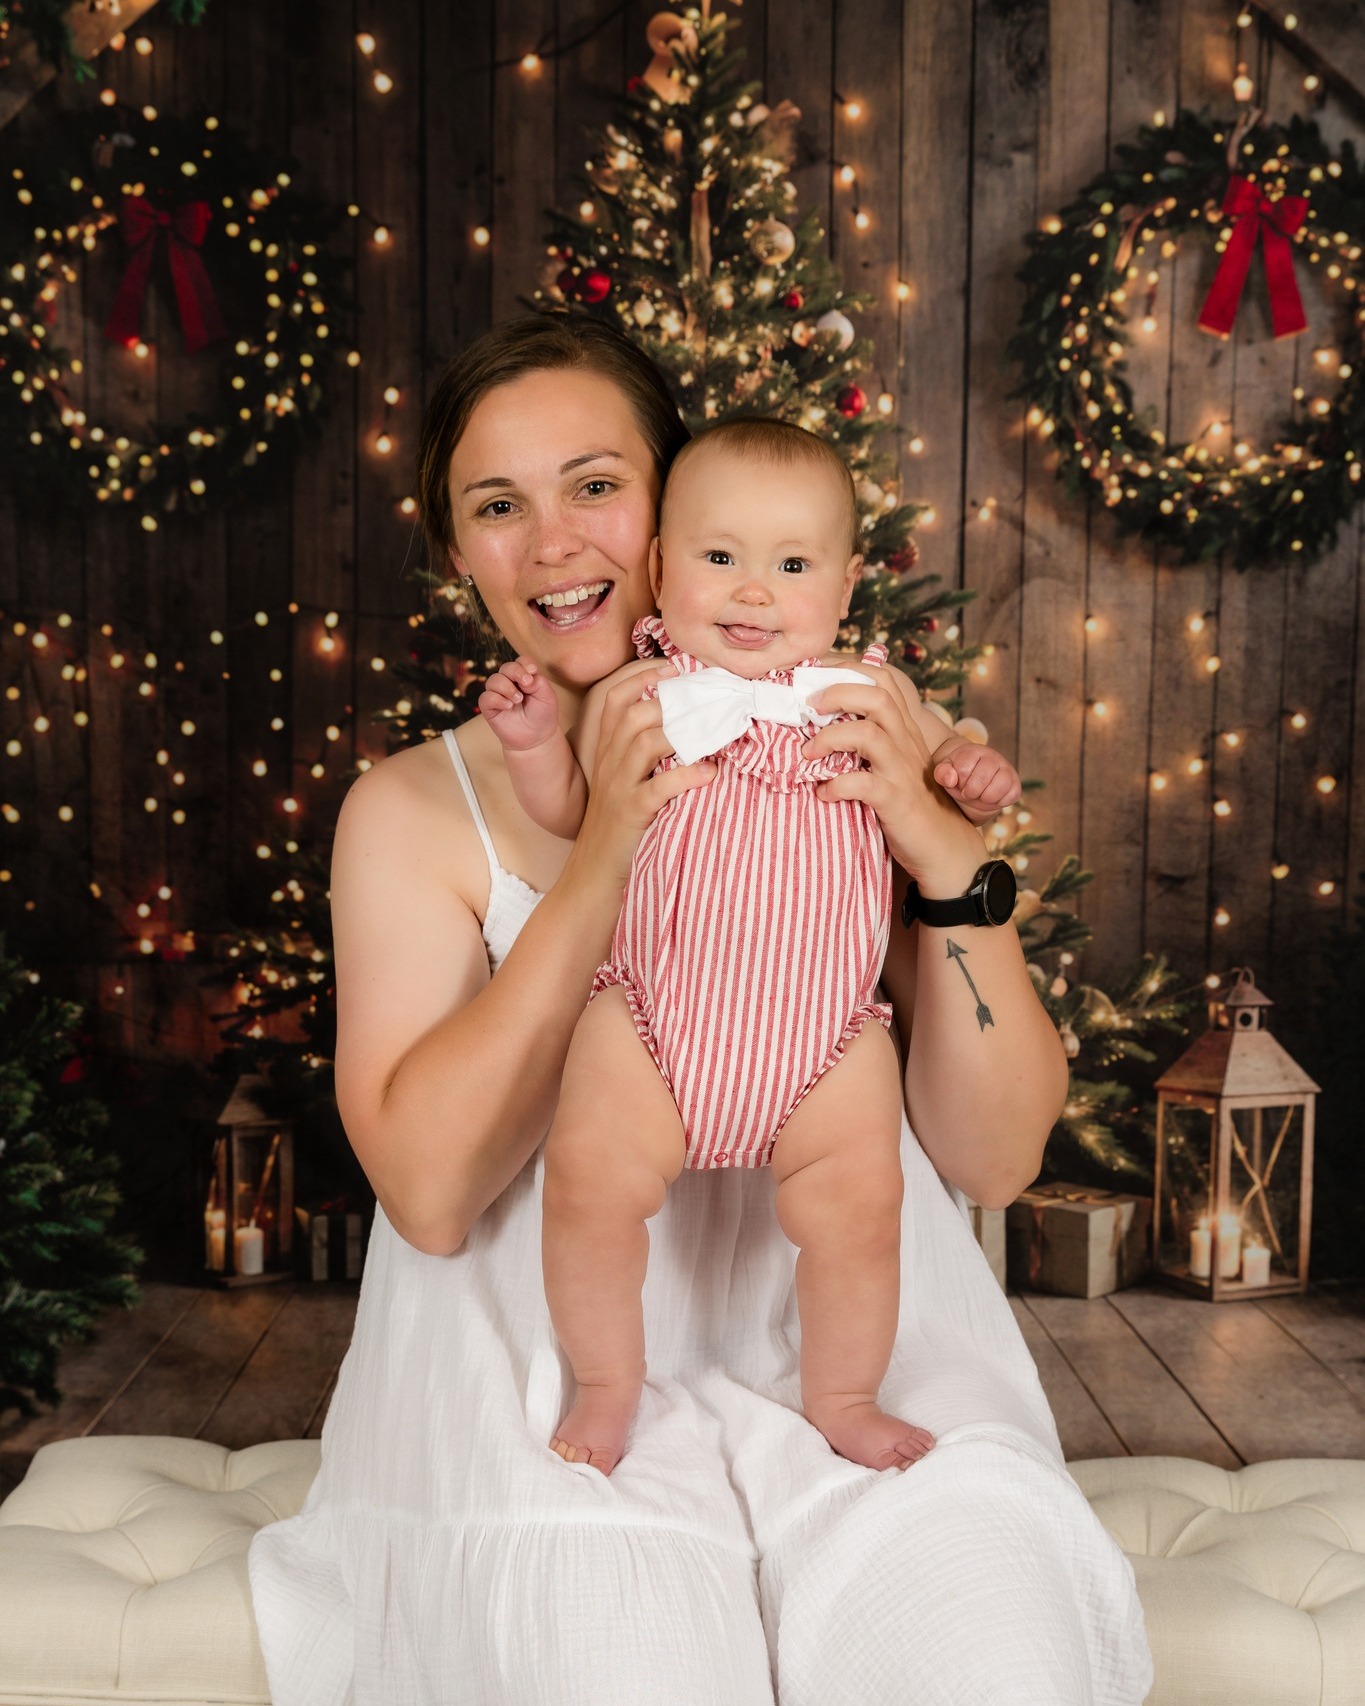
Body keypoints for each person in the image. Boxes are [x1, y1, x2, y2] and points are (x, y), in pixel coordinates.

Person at [248, 312, 1154, 1706]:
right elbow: (429, 1196)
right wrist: (607, 842)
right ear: (457, 550)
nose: (553, 543)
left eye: (595, 483)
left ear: (671, 506)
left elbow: (993, 1159)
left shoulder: (855, 727)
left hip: (847, 1363)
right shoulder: (411, 808)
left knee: (990, 1659)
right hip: (542, 1390)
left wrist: (946, 856)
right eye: (499, 505)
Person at [479, 416, 1023, 1478]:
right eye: (720, 558)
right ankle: (606, 1379)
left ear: (848, 580)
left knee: (864, 1209)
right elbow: (566, 818)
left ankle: (845, 1393)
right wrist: (539, 744)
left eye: (791, 564)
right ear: (660, 565)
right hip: (653, 1014)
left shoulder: (874, 694)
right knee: (587, 1181)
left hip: (824, 1038)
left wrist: (967, 769)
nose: (753, 592)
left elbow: (947, 759)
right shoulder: (640, 694)